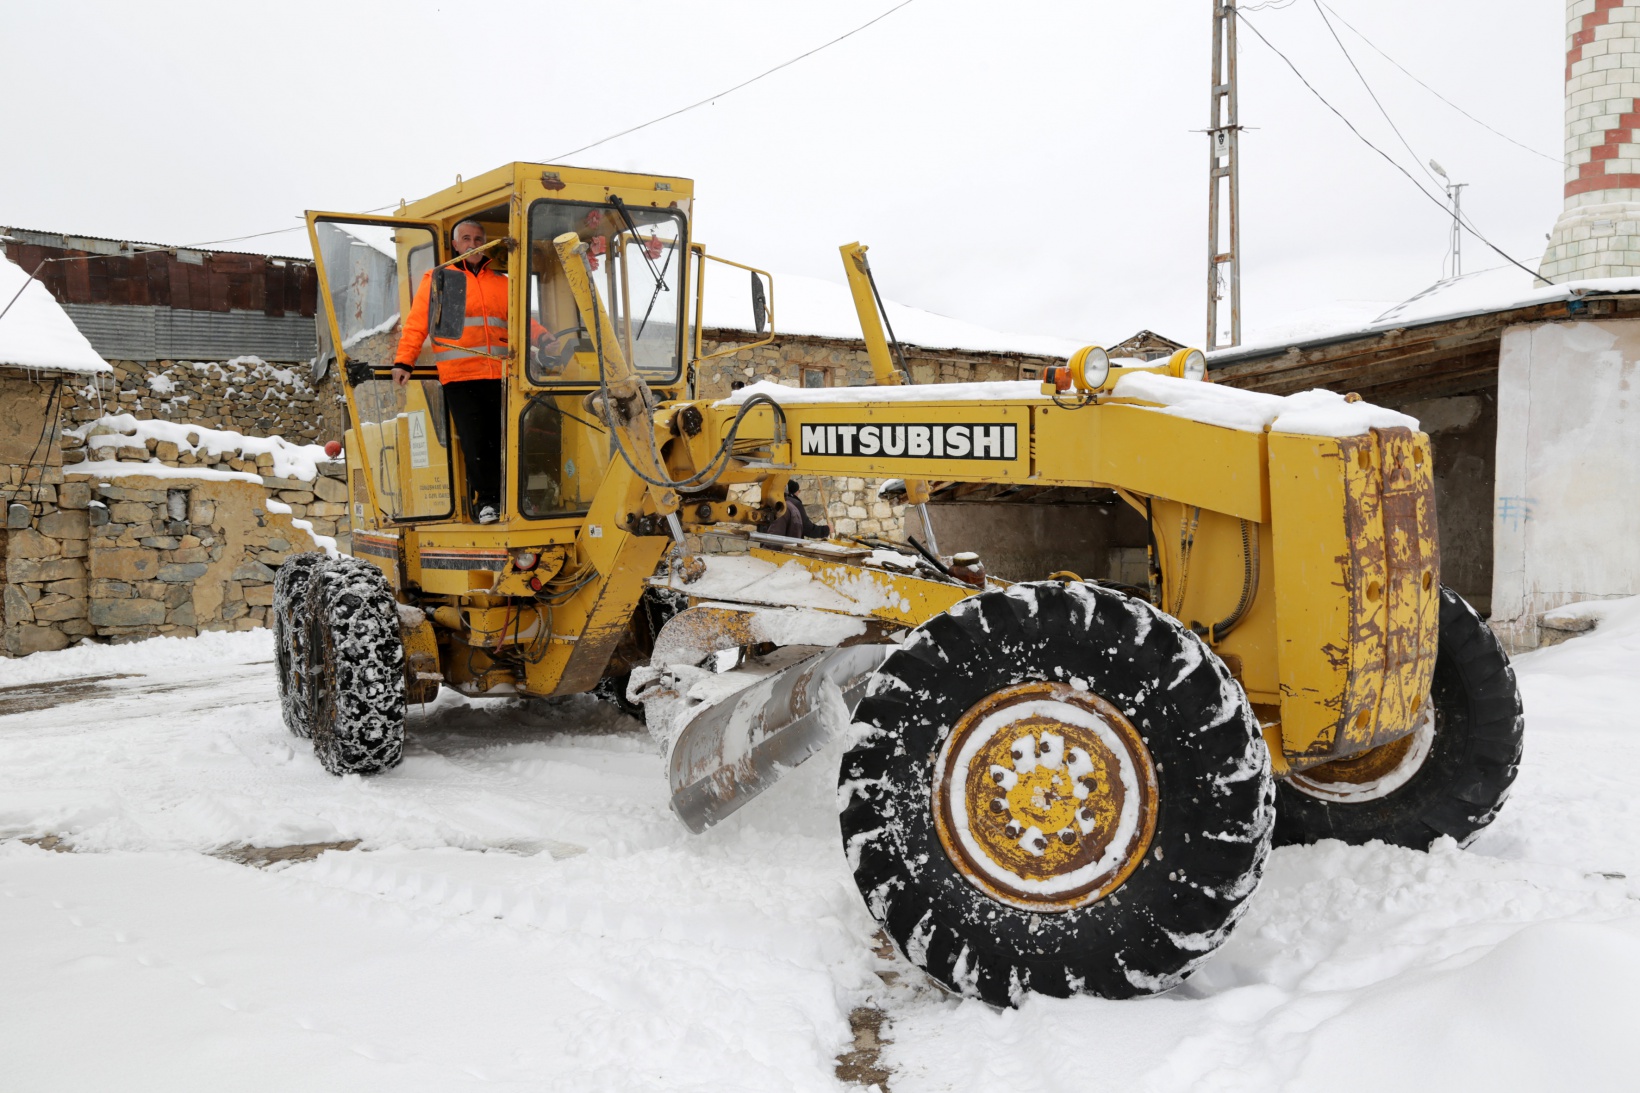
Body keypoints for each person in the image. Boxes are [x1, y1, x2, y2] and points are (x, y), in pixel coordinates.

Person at [392, 219, 507, 524]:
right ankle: (488, 502)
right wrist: (405, 361)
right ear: (455, 245)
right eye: (466, 238)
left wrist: (545, 339)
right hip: (460, 376)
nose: (473, 243)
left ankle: (512, 498)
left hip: (502, 375)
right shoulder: (441, 279)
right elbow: (418, 323)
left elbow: (523, 322)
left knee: (505, 438)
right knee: (476, 440)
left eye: (479, 237)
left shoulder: (502, 283)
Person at [765, 479, 830, 539]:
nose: (799, 493)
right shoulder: (794, 504)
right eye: (798, 491)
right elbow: (807, 528)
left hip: (769, 542)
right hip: (787, 545)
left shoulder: (774, 502)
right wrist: (826, 529)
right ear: (795, 492)